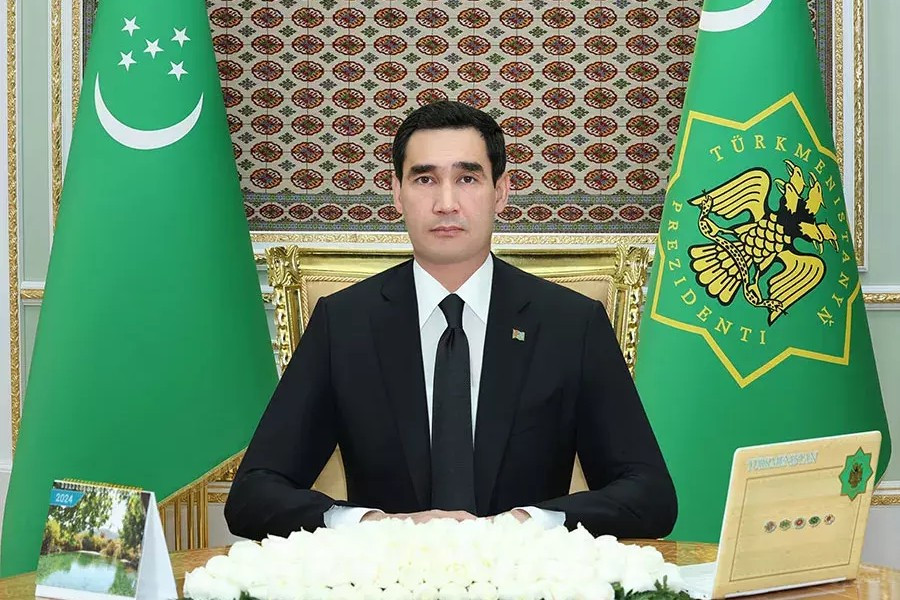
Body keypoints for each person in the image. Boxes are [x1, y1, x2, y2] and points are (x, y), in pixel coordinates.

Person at [225, 101, 677, 540]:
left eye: (467, 178)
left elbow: (649, 497)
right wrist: (375, 526)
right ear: (397, 193)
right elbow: (253, 496)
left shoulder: (570, 324)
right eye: (425, 179)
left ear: (500, 192)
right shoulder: (344, 323)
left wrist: (530, 523)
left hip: (526, 573)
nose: (446, 203)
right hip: (388, 575)